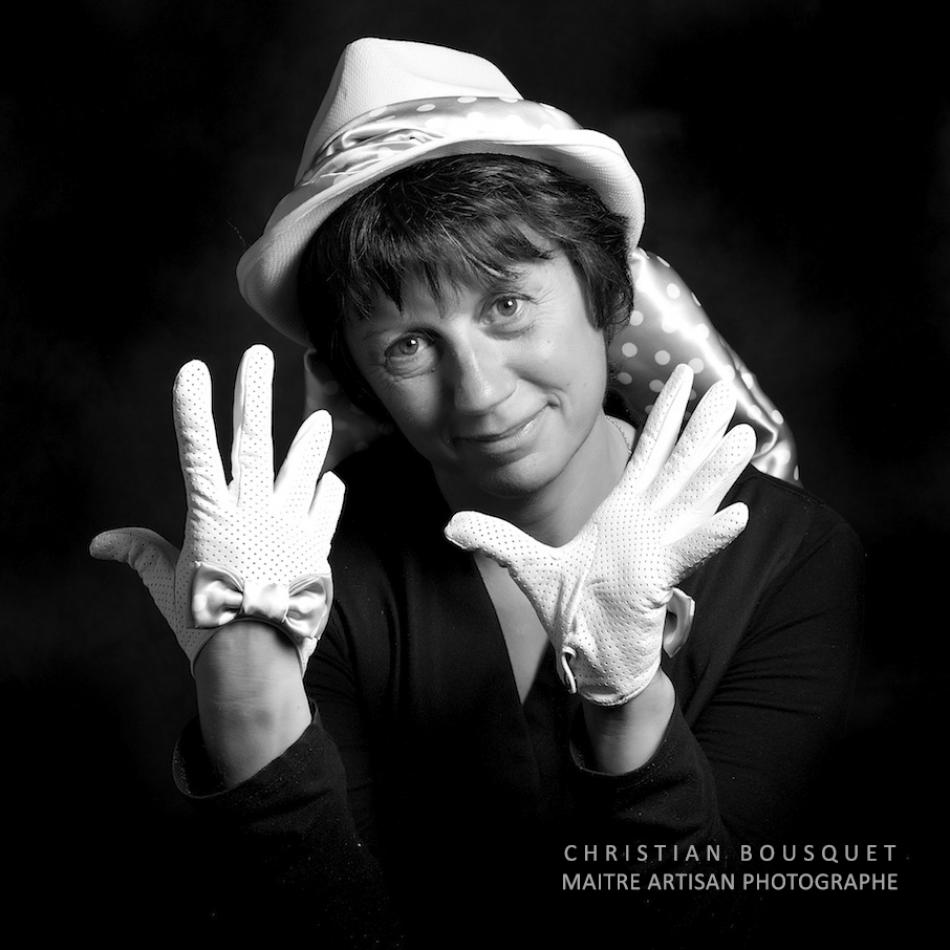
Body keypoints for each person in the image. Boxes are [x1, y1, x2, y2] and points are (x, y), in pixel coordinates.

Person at [90, 39, 863, 947]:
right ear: (361, 381)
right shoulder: (306, 576)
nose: (481, 392)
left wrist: (627, 703)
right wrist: (250, 705)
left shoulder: (793, 560)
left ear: (606, 295)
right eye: (408, 346)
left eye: (506, 305)